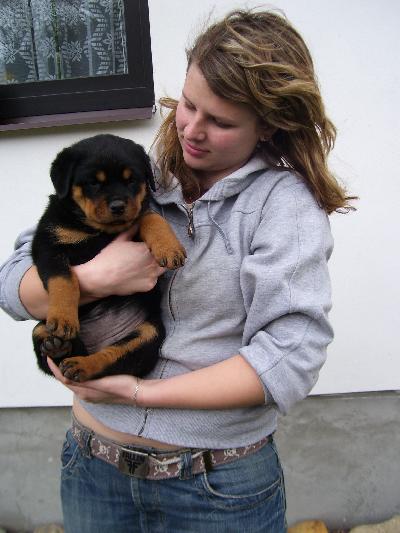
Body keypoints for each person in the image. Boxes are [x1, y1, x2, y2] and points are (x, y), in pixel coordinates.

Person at [0, 9, 354, 533]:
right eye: (188, 104)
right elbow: (12, 282)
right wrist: (95, 280)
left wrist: (139, 393)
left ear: (270, 125)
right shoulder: (143, 172)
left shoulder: (284, 208)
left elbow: (290, 357)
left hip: (216, 485)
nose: (192, 129)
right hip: (94, 466)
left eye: (222, 122)